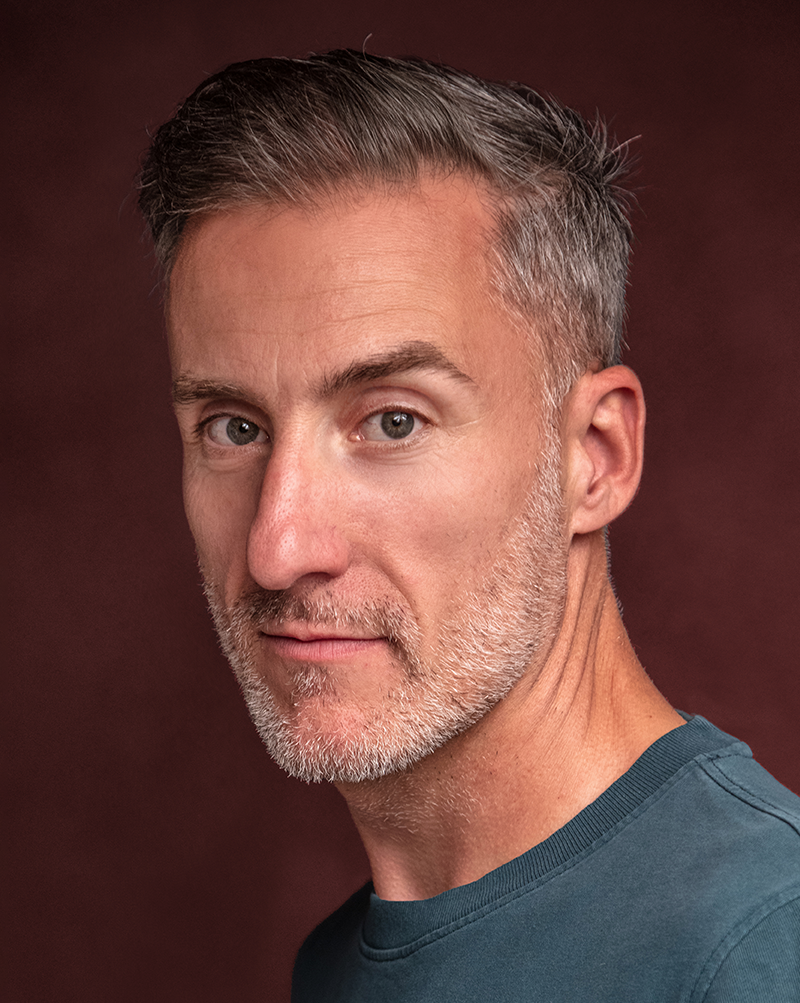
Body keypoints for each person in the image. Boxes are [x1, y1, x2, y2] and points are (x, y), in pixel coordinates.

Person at [139, 50, 800, 1001]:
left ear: (595, 456)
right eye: (234, 428)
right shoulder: (336, 967)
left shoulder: (760, 949)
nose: (277, 549)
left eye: (392, 422)